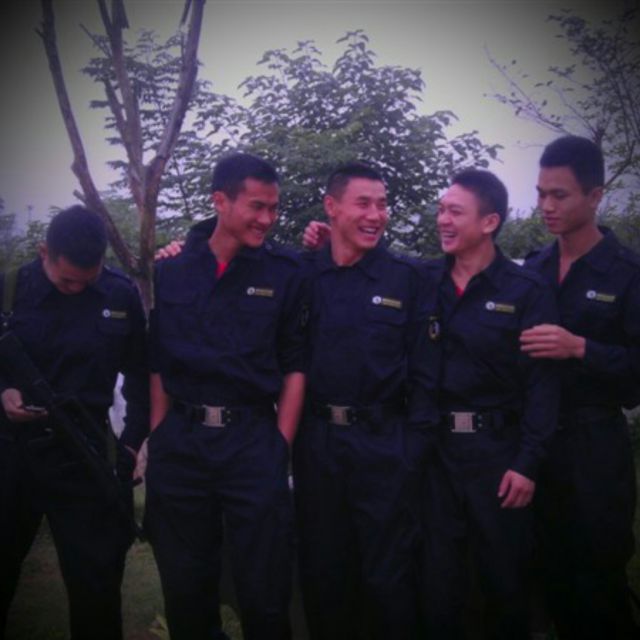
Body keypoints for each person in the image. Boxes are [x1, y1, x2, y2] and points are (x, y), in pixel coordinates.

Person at [145, 152, 308, 640]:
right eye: (257, 206)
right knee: (186, 587)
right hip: (183, 444)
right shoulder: (172, 269)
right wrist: (159, 433)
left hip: (252, 442)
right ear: (220, 200)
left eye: (273, 208)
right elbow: (158, 361)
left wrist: (279, 444)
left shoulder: (285, 272)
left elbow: (295, 367)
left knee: (266, 587)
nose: (267, 219)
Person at [295, 162, 440, 640]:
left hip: (384, 446)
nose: (376, 215)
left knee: (389, 576)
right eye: (363, 203)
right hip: (317, 446)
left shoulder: (407, 277)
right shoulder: (301, 273)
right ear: (331, 207)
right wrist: (184, 245)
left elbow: (426, 375)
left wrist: (411, 451)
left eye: (382, 204)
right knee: (324, 572)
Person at [415, 169, 559, 639]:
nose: (443, 220)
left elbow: (542, 385)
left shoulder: (525, 290)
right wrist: (321, 239)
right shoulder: (422, 281)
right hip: (436, 457)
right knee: (439, 584)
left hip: (498, 456)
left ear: (489, 221)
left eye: (455, 212)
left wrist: (527, 463)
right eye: (441, 210)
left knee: (504, 580)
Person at [0, 205, 149, 640]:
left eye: (88, 280)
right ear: (43, 252)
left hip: (85, 457)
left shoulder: (119, 295)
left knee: (96, 591)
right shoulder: (9, 290)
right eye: (66, 281)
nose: (77, 288)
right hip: (12, 454)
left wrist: (131, 444)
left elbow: (142, 376)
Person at [520, 135, 640, 639]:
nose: (546, 206)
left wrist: (581, 348)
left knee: (597, 584)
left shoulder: (628, 274)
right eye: (541, 193)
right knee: (543, 578)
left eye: (560, 195)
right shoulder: (533, 269)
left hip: (595, 451)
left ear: (595, 196)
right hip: (535, 448)